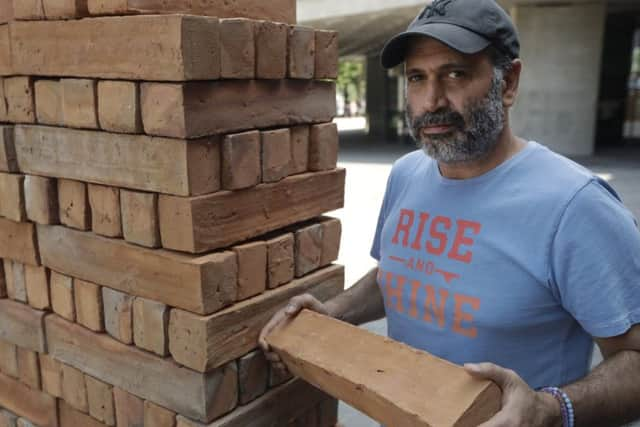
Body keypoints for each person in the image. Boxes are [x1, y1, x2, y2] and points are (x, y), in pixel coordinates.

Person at [259, 0, 640, 425]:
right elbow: (401, 276)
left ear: (508, 82)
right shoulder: (406, 174)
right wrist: (334, 311)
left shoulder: (576, 205)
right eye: (417, 78)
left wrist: (549, 409)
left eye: (455, 74)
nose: (432, 101)